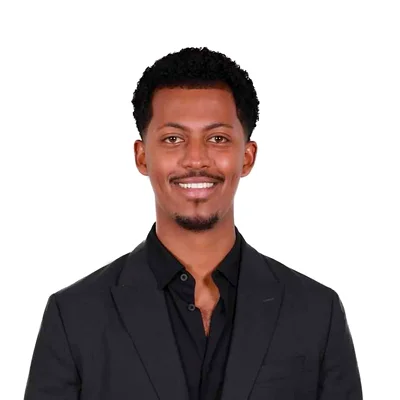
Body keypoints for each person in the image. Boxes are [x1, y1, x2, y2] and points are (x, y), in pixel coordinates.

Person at [24, 47, 363, 400]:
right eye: (173, 139)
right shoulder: (74, 317)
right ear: (142, 156)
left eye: (218, 139)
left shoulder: (317, 313)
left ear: (247, 157)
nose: (196, 159)